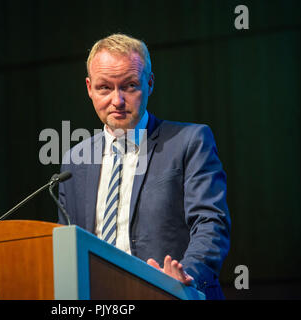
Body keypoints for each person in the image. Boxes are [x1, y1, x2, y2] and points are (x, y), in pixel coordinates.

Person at [57, 33, 231, 300]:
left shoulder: (190, 141)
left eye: (129, 86)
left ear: (149, 84)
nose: (117, 101)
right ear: (89, 88)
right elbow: (66, 244)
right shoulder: (74, 159)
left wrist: (187, 276)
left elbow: (211, 223)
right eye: (105, 88)